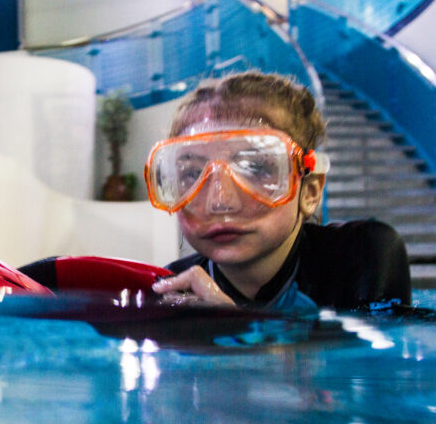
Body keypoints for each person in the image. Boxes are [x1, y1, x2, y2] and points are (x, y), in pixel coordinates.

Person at [146, 71, 411, 312]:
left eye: (255, 167)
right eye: (192, 174)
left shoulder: (362, 255)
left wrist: (236, 326)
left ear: (310, 191)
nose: (220, 202)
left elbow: (371, 362)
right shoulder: (174, 285)